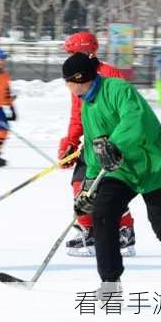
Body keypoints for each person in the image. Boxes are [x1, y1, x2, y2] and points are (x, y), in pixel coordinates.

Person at [63, 52, 161, 298]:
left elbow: (136, 120)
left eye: (68, 81)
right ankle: (110, 284)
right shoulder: (87, 105)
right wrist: (89, 186)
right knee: (103, 214)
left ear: (79, 78)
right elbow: (95, 149)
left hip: (153, 163)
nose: (67, 87)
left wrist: (114, 145)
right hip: (122, 171)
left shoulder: (117, 89)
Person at [59, 32, 136, 257]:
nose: (70, 57)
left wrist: (116, 143)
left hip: (113, 145)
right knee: (79, 186)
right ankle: (89, 230)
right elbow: (77, 114)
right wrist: (71, 142)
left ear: (86, 51)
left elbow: (124, 112)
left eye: (73, 52)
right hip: (92, 143)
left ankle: (124, 231)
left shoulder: (111, 75)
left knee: (110, 191)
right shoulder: (77, 74)